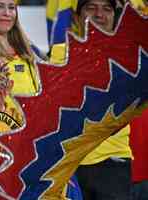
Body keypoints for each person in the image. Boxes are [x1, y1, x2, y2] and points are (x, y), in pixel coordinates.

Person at [73, 1, 134, 199]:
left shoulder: (130, 56)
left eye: (107, 8)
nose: (99, 14)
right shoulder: (57, 54)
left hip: (112, 161)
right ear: (77, 16)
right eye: (91, 7)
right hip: (67, 164)